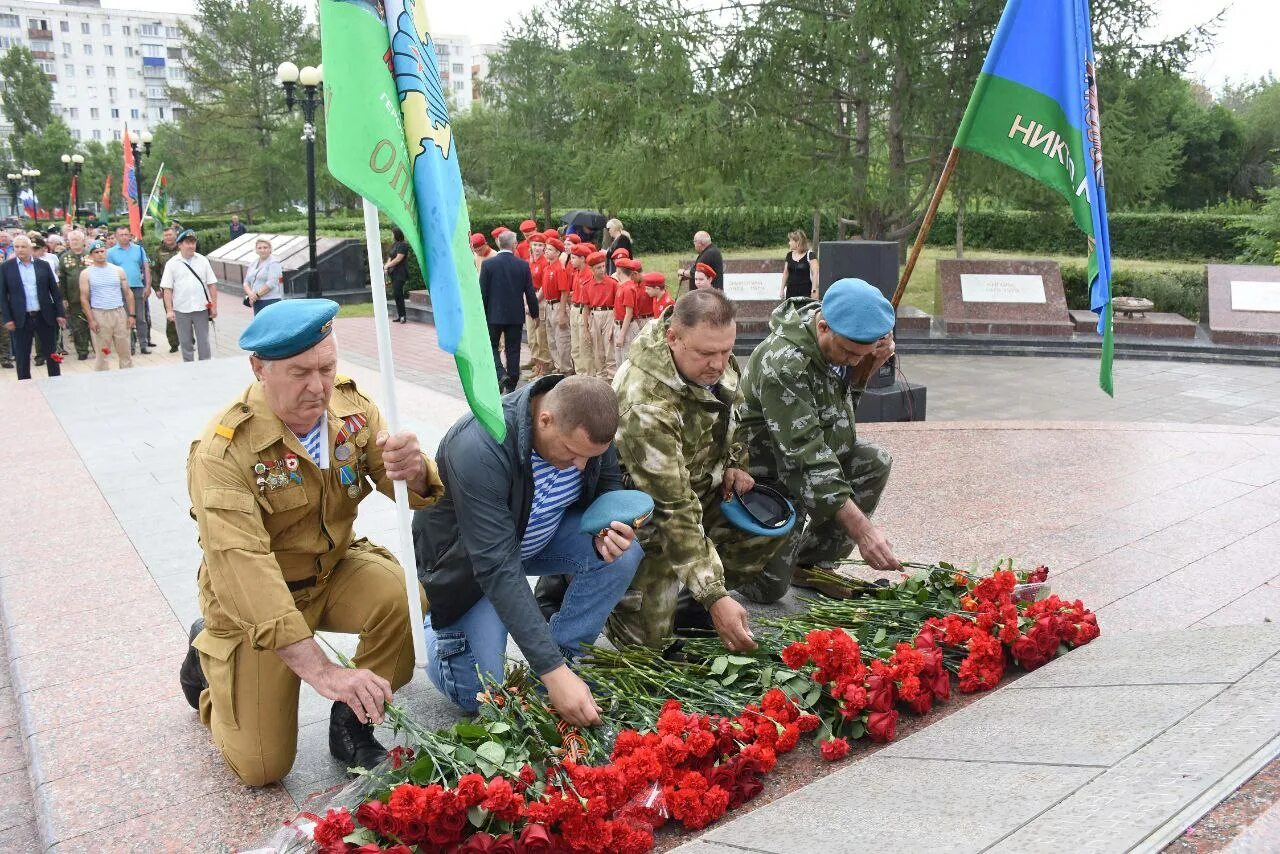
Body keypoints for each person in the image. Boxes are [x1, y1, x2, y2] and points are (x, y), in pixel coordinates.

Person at [178, 298, 445, 786]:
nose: (318, 387)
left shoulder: (352, 410)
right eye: (300, 373)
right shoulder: (223, 452)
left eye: (327, 367)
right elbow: (248, 573)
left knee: (404, 597)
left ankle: (354, 719)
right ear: (259, 367)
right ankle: (208, 663)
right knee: (261, 768)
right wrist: (324, 672)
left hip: (331, 571)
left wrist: (414, 470)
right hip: (256, 600)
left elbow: (407, 488)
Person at [413, 375, 643, 722]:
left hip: (537, 540)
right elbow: (496, 566)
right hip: (471, 569)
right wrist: (549, 668)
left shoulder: (586, 427)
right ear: (544, 419)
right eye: (572, 452)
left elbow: (606, 489)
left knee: (624, 555)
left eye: (590, 456)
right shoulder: (481, 444)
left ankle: (565, 657)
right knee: (482, 695)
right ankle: (430, 623)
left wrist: (609, 530)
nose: (581, 465)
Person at [604, 290, 784, 650]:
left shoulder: (707, 358)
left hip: (700, 492)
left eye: (726, 351)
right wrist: (715, 595)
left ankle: (690, 594)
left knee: (768, 525)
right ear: (673, 338)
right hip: (646, 518)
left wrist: (735, 463)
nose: (719, 364)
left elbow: (731, 416)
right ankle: (610, 598)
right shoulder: (646, 403)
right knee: (648, 650)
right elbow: (671, 509)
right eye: (707, 353)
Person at [736, 279, 901, 604]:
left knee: (873, 461)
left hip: (808, 464)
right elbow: (805, 458)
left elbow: (838, 417)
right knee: (768, 590)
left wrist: (867, 368)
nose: (853, 361)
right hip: (766, 479)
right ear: (823, 327)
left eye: (861, 354)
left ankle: (812, 563)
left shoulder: (838, 343)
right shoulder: (784, 365)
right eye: (850, 353)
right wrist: (863, 531)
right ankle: (728, 546)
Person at [0, 234, 67, 380]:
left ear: (31, 248)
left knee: (51, 352)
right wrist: (7, 318)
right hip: (21, 317)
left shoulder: (42, 265)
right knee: (22, 354)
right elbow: (2, 296)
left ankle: (55, 379)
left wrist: (60, 313)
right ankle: (24, 383)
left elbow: (54, 292)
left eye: (23, 246)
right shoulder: (6, 267)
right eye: (16, 247)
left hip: (44, 315)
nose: (20, 250)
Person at [480, 230, 538, 393]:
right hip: (515, 315)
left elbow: (482, 293)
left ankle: (500, 373)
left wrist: (481, 316)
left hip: (493, 315)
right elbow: (530, 292)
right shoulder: (522, 265)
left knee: (491, 346)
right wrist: (535, 314)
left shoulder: (488, 265)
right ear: (514, 245)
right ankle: (511, 382)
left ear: (499, 243)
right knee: (513, 348)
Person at [160, 228, 219, 362]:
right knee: (185, 342)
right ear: (180, 245)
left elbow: (212, 284)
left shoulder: (203, 260)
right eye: (188, 242)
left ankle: (205, 365)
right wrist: (169, 311)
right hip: (181, 309)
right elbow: (167, 289)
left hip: (201, 308)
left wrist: (214, 306)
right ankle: (189, 367)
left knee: (203, 341)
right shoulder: (172, 263)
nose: (192, 245)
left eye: (193, 242)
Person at [80, 239, 135, 371]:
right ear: (91, 255)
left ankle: (128, 377)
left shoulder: (118, 270)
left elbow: (128, 293)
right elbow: (84, 298)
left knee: (125, 350)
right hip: (100, 314)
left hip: (118, 312)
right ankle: (102, 380)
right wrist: (91, 320)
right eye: (96, 252)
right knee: (102, 353)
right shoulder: (86, 273)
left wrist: (132, 315)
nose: (100, 254)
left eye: (102, 251)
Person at [106, 226, 153, 354]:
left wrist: (148, 286)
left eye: (126, 234)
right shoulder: (110, 252)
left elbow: (146, 268)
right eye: (121, 234)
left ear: (130, 236)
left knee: (141, 318)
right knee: (125, 318)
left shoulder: (139, 249)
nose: (124, 237)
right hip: (121, 290)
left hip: (138, 287)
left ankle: (143, 344)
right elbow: (108, 271)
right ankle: (129, 346)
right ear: (116, 237)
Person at [59, 229, 92, 360]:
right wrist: (64, 298)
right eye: (72, 240)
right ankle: (82, 350)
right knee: (78, 326)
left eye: (77, 239)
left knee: (95, 322)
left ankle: (99, 347)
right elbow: (62, 280)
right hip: (74, 298)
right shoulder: (64, 258)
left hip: (93, 297)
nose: (74, 242)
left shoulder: (91, 255)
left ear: (83, 241)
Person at [585, 250, 617, 380]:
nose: (602, 270)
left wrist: (613, 324)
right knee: (597, 349)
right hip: (594, 315)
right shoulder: (587, 285)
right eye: (598, 267)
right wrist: (586, 328)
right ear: (591, 269)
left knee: (609, 348)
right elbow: (586, 307)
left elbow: (617, 305)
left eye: (603, 266)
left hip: (609, 313)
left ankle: (612, 378)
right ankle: (601, 377)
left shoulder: (612, 283)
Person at [542, 236, 572, 374]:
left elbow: (564, 292)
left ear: (558, 253)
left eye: (550, 249)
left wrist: (562, 314)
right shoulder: (548, 268)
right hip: (549, 305)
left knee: (562, 340)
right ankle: (559, 366)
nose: (546, 251)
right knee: (552, 339)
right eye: (546, 249)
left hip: (558, 304)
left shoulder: (559, 269)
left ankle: (566, 369)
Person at [524, 231, 552, 377]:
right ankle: (536, 364)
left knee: (541, 335)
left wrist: (533, 302)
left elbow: (543, 286)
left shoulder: (544, 263)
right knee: (531, 335)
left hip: (539, 299)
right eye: (535, 244)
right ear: (530, 245)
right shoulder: (530, 261)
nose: (537, 248)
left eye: (540, 245)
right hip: (529, 297)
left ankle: (543, 367)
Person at [152, 226, 182, 353]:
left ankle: (189, 340)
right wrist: (156, 288)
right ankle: (174, 343)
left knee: (187, 314)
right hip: (167, 289)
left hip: (182, 288)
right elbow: (154, 271)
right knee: (171, 316)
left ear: (176, 235)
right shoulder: (158, 251)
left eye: (170, 235)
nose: (168, 237)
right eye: (166, 235)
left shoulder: (182, 248)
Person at [567, 243, 594, 377]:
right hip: (574, 308)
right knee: (576, 347)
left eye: (574, 258)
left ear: (583, 259)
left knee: (585, 348)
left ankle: (588, 376)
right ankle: (579, 374)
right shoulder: (576, 272)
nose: (571, 260)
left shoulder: (589, 273)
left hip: (583, 310)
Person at [613, 258, 643, 366]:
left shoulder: (628, 288)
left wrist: (621, 335)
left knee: (626, 361)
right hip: (619, 326)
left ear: (619, 271)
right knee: (619, 361)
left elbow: (628, 313)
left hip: (627, 328)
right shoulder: (622, 286)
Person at [244, 238, 286, 316]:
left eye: (265, 247)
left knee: (270, 324)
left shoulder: (274, 263)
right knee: (259, 325)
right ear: (256, 250)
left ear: (270, 249)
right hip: (256, 301)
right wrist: (250, 294)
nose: (262, 250)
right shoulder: (253, 263)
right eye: (259, 248)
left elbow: (271, 283)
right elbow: (246, 282)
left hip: (270, 301)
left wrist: (255, 295)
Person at [382, 227, 411, 323]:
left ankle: (403, 316)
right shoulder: (394, 245)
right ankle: (400, 315)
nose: (391, 235)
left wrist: (387, 266)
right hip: (393, 273)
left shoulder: (403, 245)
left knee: (398, 293)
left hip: (400, 273)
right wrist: (386, 266)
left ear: (396, 234)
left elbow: (398, 259)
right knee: (396, 294)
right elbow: (390, 257)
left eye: (392, 234)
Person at [781, 230, 819, 300]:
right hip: (791, 292)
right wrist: (782, 290)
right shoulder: (789, 255)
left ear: (798, 242)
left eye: (791, 241)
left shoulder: (810, 255)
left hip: (806, 293)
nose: (789, 243)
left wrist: (814, 290)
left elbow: (815, 273)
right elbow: (786, 273)